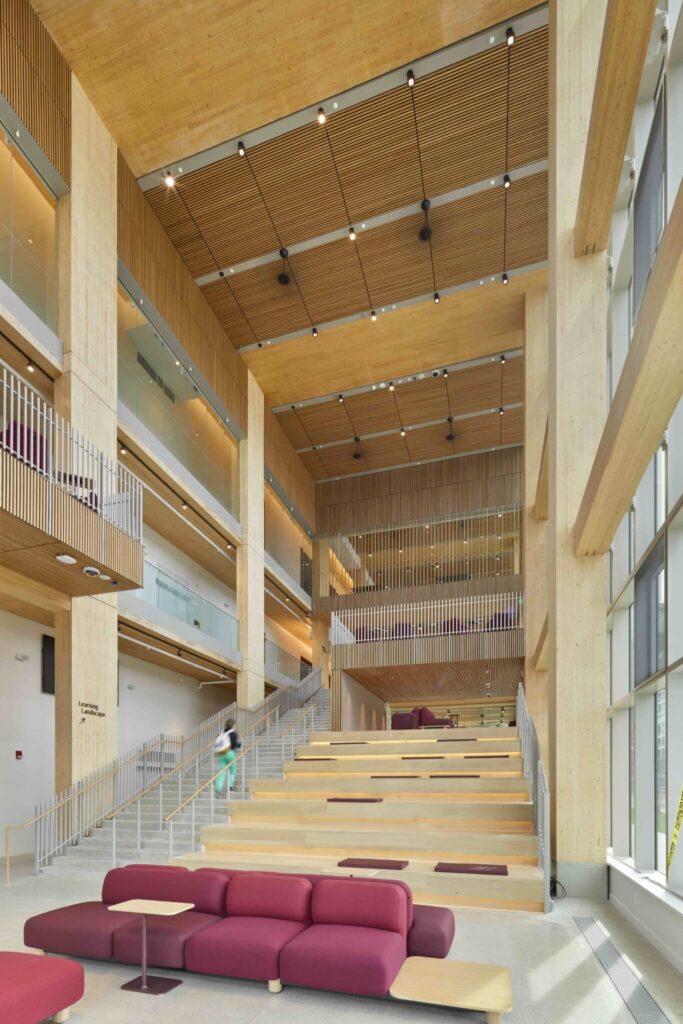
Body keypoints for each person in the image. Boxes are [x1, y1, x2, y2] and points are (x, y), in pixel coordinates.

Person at [214, 719, 241, 796]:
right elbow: (236, 745)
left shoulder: (222, 733)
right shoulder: (232, 733)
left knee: (222, 772)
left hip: (221, 754)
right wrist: (239, 742)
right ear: (233, 725)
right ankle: (230, 787)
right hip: (230, 753)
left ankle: (218, 790)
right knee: (232, 771)